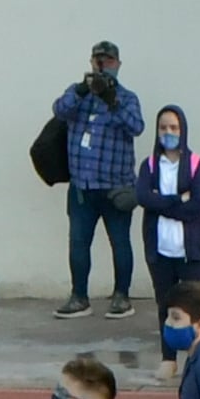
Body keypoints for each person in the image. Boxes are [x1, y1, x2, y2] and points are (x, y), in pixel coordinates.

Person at [52, 41, 143, 315]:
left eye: (109, 61)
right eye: (98, 60)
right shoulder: (77, 95)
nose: (103, 65)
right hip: (82, 187)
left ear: (118, 64)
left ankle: (121, 296)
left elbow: (136, 126)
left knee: (120, 242)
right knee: (78, 242)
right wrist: (82, 89)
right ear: (91, 62)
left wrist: (111, 100)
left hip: (115, 187)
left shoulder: (127, 98)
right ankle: (79, 296)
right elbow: (59, 110)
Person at [136, 106, 200, 337]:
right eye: (163, 128)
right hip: (160, 251)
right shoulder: (149, 165)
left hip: (192, 251)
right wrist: (178, 199)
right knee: (165, 305)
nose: (168, 132)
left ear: (183, 130)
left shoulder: (197, 165)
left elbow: (197, 206)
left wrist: (161, 205)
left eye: (173, 127)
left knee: (199, 304)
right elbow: (143, 197)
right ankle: (168, 357)